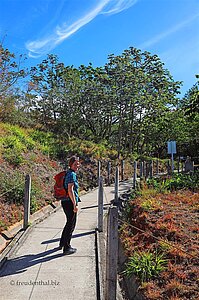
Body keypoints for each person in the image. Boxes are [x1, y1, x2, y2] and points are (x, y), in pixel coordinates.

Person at [59, 156, 80, 255]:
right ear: (71, 164)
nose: (77, 166)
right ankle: (67, 247)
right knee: (71, 224)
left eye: (78, 164)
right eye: (75, 164)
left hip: (65, 201)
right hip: (69, 202)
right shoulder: (72, 174)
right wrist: (75, 204)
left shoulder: (68, 173)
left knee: (68, 223)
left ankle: (62, 243)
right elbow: (70, 190)